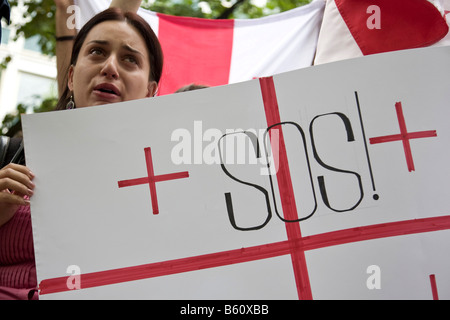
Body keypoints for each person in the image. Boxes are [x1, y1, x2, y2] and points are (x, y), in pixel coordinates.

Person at [0, 2, 163, 300]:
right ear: (72, 76)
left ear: (151, 92)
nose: (110, 67)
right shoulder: (8, 155)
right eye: (97, 52)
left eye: (129, 59)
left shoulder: (170, 185)